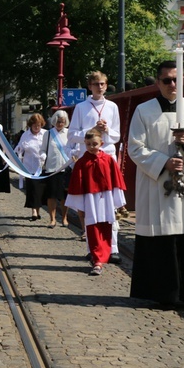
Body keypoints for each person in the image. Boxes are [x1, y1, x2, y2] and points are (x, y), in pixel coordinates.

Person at [128, 60, 184, 306]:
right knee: (162, 237)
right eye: (167, 80)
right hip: (157, 185)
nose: (172, 85)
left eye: (177, 80)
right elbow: (135, 148)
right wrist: (163, 162)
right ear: (158, 83)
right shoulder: (144, 111)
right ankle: (162, 293)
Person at [68, 71, 124, 263]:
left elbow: (117, 136)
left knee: (110, 205)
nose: (99, 87)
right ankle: (92, 248)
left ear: (106, 86)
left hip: (107, 159)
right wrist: (92, 132)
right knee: (90, 205)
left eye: (102, 84)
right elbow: (72, 135)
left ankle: (113, 248)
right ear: (89, 86)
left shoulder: (113, 107)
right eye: (95, 84)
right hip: (89, 162)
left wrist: (107, 130)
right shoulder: (81, 107)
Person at [65, 128, 127, 276]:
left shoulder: (108, 160)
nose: (92, 147)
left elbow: (116, 180)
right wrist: (79, 204)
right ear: (85, 144)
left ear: (101, 143)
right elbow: (78, 183)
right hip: (90, 199)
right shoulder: (82, 162)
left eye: (94, 144)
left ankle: (105, 253)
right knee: (92, 228)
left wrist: (119, 201)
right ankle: (97, 260)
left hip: (106, 198)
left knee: (107, 226)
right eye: (88, 144)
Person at [41, 110, 71, 228]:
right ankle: (52, 219)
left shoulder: (69, 133)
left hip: (65, 168)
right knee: (51, 195)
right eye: (58, 122)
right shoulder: (47, 134)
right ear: (54, 121)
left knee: (64, 196)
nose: (60, 124)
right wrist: (43, 156)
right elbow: (43, 149)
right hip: (52, 168)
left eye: (62, 122)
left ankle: (64, 218)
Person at [14, 113, 47, 221]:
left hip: (42, 167)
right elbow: (20, 147)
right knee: (32, 188)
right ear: (30, 125)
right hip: (29, 167)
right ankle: (33, 211)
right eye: (35, 125)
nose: (37, 127)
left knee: (40, 190)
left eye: (39, 125)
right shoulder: (26, 135)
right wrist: (19, 149)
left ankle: (38, 210)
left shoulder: (45, 134)